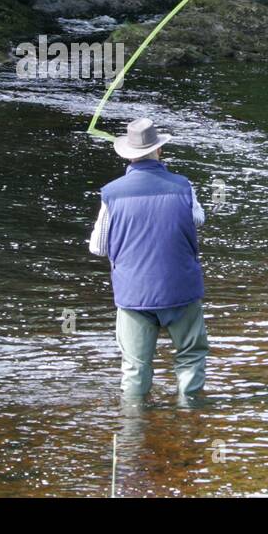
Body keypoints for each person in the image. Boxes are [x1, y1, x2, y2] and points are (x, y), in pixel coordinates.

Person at [89, 117, 208, 404]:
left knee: (135, 367)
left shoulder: (111, 193)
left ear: (128, 156)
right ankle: (190, 417)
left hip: (133, 295)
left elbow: (98, 247)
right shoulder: (183, 186)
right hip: (181, 290)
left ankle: (133, 430)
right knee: (190, 356)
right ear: (159, 151)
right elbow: (198, 220)